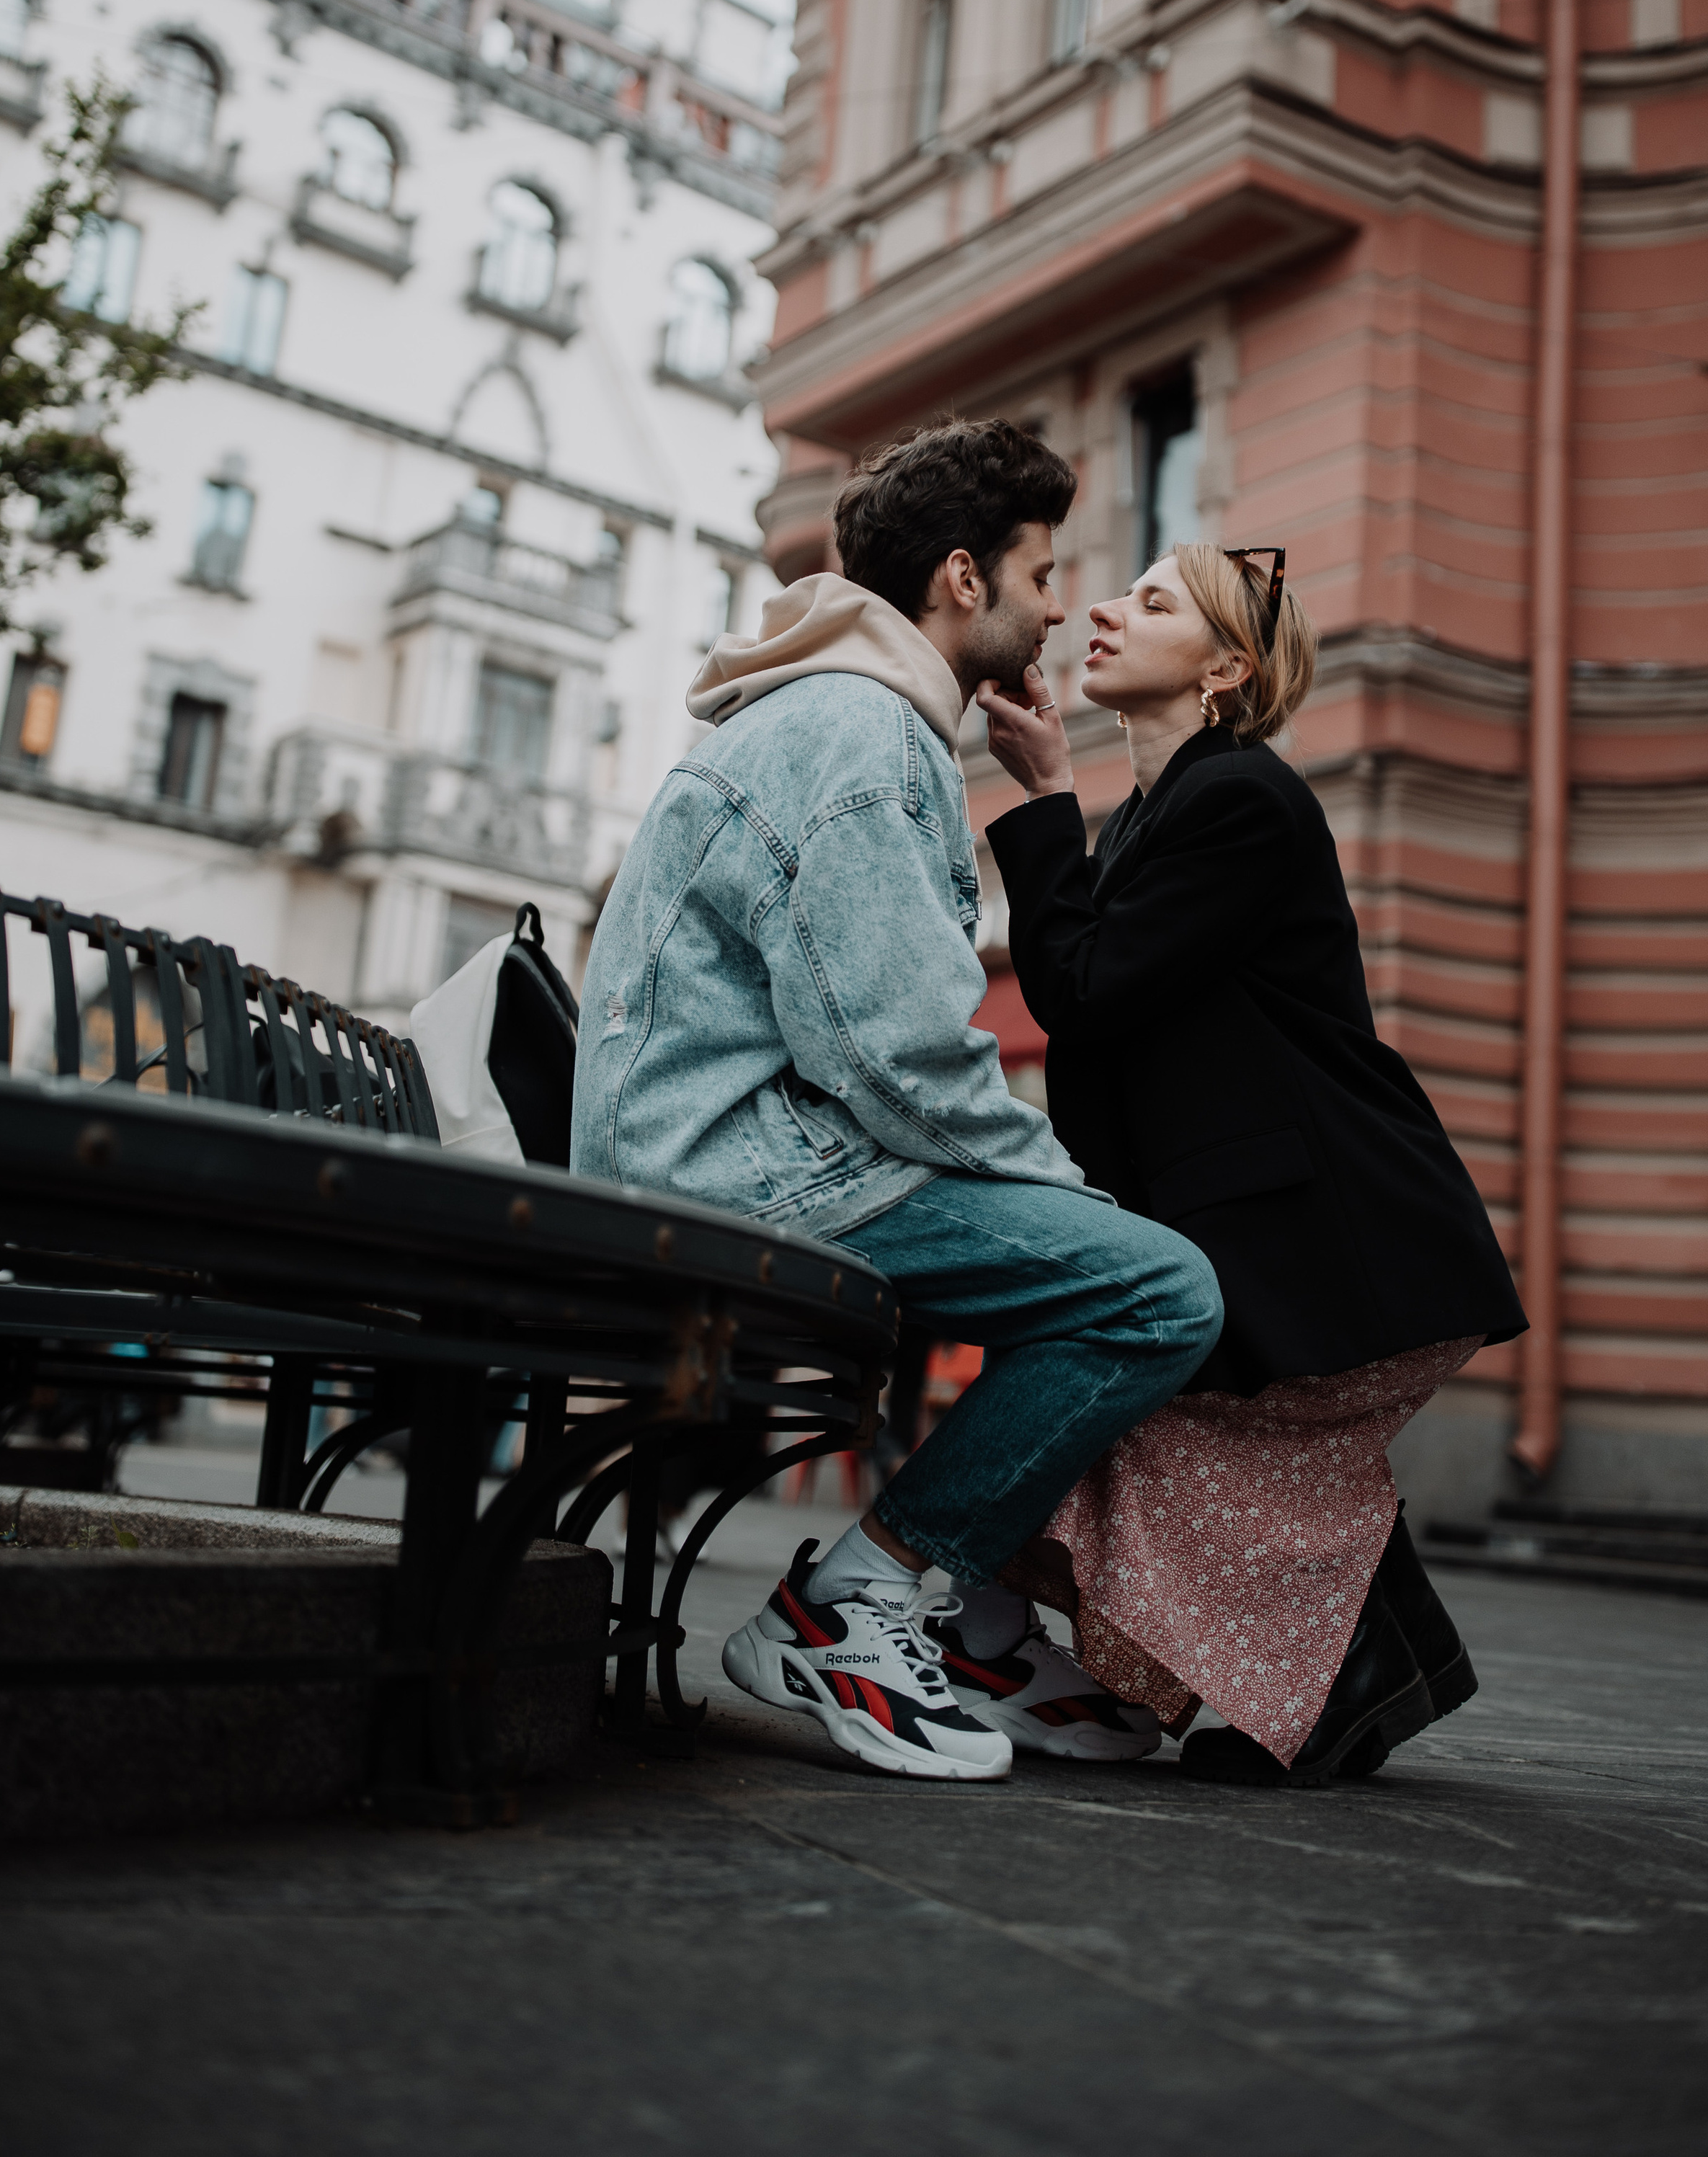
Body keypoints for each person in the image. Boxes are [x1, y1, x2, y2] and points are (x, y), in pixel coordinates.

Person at [571, 421, 1224, 1783]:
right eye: (1041, 574)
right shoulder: (864, 733)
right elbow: (897, 1055)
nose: (1058, 608)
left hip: (712, 1157)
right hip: (738, 1177)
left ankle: (973, 1621)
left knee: (1109, 1270)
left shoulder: (839, 714)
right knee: (1157, 1290)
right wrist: (1066, 1194)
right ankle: (850, 1607)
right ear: (963, 578)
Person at [977, 541, 1527, 1787]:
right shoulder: (1164, 811)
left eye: (1151, 603)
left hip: (1307, 1214)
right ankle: (1382, 1663)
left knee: (1174, 1430)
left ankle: (1377, 1662)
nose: (1104, 611)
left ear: (1224, 670)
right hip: (1239, 1204)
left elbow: (1084, 991)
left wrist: (1048, 792)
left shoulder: (1240, 797)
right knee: (1202, 1441)